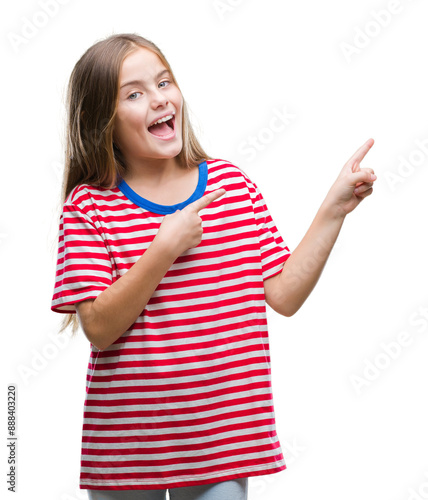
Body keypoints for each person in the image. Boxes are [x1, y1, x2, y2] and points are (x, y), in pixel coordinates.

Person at [50, 33, 377, 500]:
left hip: (222, 443)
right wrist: (163, 250)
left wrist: (333, 209)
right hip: (128, 450)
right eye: (135, 93)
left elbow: (282, 295)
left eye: (165, 82)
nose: (160, 99)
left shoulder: (231, 186)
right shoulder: (89, 208)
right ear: (101, 120)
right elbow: (99, 327)